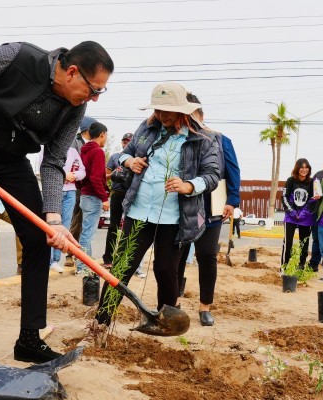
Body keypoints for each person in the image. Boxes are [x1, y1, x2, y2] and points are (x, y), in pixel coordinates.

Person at [0, 40, 114, 369]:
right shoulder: (18, 57)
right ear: (72, 72)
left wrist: (54, 219)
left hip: (12, 162)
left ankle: (29, 339)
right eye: (94, 88)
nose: (94, 97)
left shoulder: (74, 107)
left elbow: (53, 161)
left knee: (40, 238)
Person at [79, 82, 220, 346]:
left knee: (166, 269)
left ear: (183, 110)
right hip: (140, 211)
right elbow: (123, 155)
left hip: (174, 217)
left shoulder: (203, 139)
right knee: (122, 267)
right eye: (159, 109)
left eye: (168, 110)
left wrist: (189, 185)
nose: (163, 115)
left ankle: (165, 324)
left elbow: (212, 175)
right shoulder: (147, 128)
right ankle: (101, 322)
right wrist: (129, 162)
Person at [175, 92, 240, 327]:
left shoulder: (221, 139)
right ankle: (173, 302)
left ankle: (205, 307)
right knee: (177, 256)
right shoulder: (176, 138)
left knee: (207, 256)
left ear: (200, 115)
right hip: (180, 206)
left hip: (211, 207)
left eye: (192, 116)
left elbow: (233, 172)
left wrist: (232, 201)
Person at [75, 121, 110, 274]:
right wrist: (104, 197)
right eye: (106, 135)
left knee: (85, 231)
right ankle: (82, 267)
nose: (106, 138)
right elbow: (95, 178)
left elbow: (82, 174)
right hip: (93, 197)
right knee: (87, 233)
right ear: (102, 134)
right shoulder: (98, 152)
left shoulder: (84, 151)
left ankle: (85, 265)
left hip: (84, 195)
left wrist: (82, 188)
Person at [48, 144, 85, 273]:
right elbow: (45, 167)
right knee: (50, 226)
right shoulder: (47, 147)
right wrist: (64, 174)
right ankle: (48, 259)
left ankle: (55, 261)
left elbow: (82, 171)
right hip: (53, 190)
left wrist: (74, 175)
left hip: (70, 192)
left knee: (64, 225)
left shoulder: (73, 151)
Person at [65, 116, 96, 267]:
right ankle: (70, 254)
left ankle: (82, 255)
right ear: (88, 129)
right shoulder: (74, 142)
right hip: (75, 187)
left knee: (86, 224)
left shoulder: (95, 145)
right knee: (76, 221)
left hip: (88, 187)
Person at [101, 132, 133, 269]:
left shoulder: (136, 159)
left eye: (129, 142)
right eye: (124, 141)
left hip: (131, 195)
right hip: (117, 194)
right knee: (113, 226)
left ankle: (124, 259)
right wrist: (113, 174)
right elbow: (104, 176)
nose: (126, 143)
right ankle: (108, 258)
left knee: (129, 228)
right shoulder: (114, 157)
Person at [281, 158, 314, 267]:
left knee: (303, 244)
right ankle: (284, 266)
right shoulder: (290, 180)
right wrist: (292, 212)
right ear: (297, 168)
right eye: (302, 167)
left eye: (306, 167)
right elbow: (284, 197)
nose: (304, 170)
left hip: (306, 218)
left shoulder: (312, 182)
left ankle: (301, 266)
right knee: (288, 243)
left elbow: (313, 199)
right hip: (291, 217)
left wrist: (303, 213)